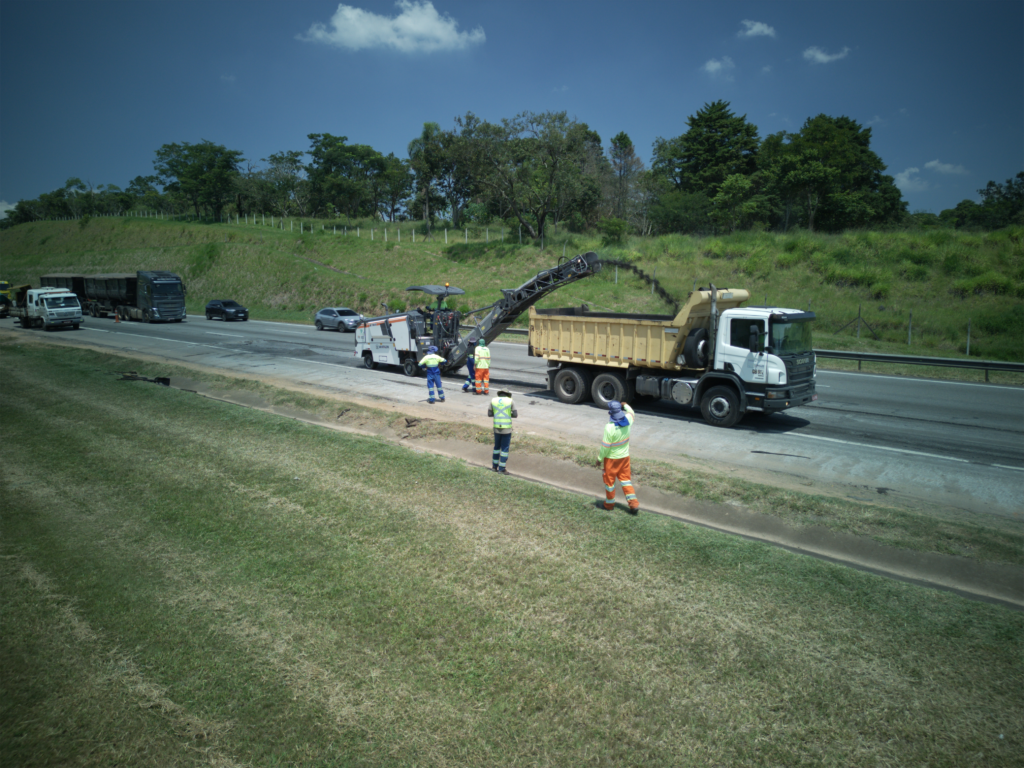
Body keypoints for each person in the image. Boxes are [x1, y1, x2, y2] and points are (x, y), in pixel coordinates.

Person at [596, 400, 639, 514]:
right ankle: (633, 504)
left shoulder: (609, 427)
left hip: (611, 460)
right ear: (620, 411)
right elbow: (632, 412)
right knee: (626, 481)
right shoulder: (628, 420)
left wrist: (599, 459)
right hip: (624, 458)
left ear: (610, 413)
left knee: (609, 483)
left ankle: (609, 505)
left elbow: (605, 447)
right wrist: (625, 405)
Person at [488, 389, 517, 473]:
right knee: (504, 449)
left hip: (496, 428)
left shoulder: (493, 400)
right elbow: (515, 414)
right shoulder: (510, 401)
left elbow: (489, 414)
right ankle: (502, 469)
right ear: (507, 394)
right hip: (506, 429)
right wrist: (508, 414)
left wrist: (497, 413)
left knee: (496, 447)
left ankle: (494, 467)